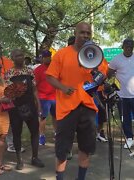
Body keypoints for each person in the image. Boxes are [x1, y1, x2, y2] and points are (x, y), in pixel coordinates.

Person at [46, 22, 108, 180]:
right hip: (67, 108)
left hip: (87, 107)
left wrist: (102, 76)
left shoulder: (95, 53)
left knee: (85, 148)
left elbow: (104, 74)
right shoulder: (62, 54)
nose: (85, 36)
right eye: (82, 33)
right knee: (62, 150)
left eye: (88, 33)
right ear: (75, 33)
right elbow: (50, 76)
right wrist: (63, 87)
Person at [4, 49, 45, 169]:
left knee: (35, 131)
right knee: (17, 133)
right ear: (12, 58)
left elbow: (35, 89)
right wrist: (16, 91)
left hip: (30, 105)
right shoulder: (9, 73)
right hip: (15, 107)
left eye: (21, 55)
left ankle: (35, 157)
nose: (20, 57)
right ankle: (19, 160)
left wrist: (38, 104)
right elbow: (7, 92)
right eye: (17, 55)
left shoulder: (29, 71)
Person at [34, 50, 56, 146]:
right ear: (42, 58)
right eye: (45, 57)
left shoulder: (55, 68)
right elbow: (35, 86)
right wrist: (37, 99)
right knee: (43, 117)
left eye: (49, 56)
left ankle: (56, 133)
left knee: (56, 116)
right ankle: (41, 136)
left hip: (55, 97)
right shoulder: (38, 70)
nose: (48, 58)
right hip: (43, 97)